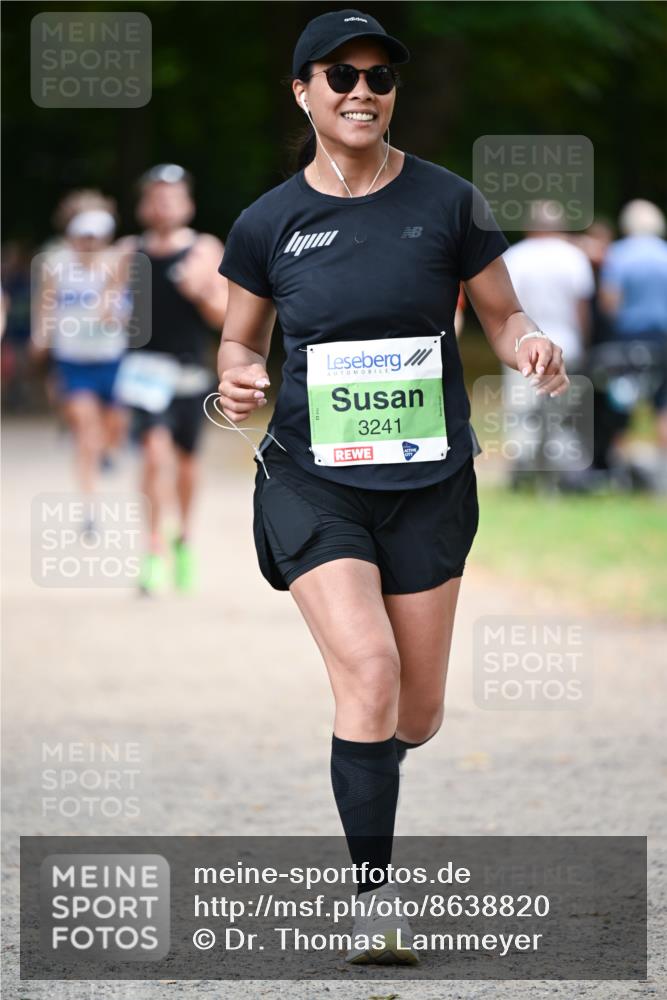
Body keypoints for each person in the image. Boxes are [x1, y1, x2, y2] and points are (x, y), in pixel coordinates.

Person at [217, 8, 570, 966]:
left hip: (428, 483)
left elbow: (501, 314)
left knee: (415, 714)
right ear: (304, 92)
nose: (363, 91)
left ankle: (367, 752)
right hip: (311, 481)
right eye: (341, 76)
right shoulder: (269, 221)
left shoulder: (447, 201)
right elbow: (241, 338)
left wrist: (527, 342)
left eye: (379, 76)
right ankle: (372, 902)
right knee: (367, 671)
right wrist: (236, 377)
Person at [115, 165, 228, 593]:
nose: (163, 204)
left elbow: (225, 316)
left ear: (187, 203)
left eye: (171, 196)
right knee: (153, 453)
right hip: (143, 371)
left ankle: (184, 539)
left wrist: (201, 292)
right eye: (155, 196)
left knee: (186, 464)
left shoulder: (204, 250)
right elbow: (107, 309)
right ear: (144, 204)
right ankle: (153, 547)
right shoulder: (128, 252)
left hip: (189, 372)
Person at [32, 191, 129, 502]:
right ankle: (89, 505)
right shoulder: (55, 263)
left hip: (111, 356)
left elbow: (131, 308)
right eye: (83, 234)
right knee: (86, 430)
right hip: (73, 359)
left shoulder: (119, 262)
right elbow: (46, 304)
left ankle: (107, 449)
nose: (89, 241)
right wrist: (41, 337)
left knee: (115, 427)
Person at [500, 201, 595, 488]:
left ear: (530, 227)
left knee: (523, 412)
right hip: (567, 345)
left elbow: (505, 308)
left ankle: (524, 471)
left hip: (523, 346)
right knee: (562, 414)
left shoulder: (515, 256)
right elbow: (582, 309)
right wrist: (585, 342)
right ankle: (560, 475)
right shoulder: (574, 257)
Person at [599, 199, 667, 491]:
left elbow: (609, 300)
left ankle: (619, 473)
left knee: (620, 403)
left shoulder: (619, 255)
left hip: (628, 340)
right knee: (663, 406)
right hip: (663, 339)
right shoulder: (665, 255)